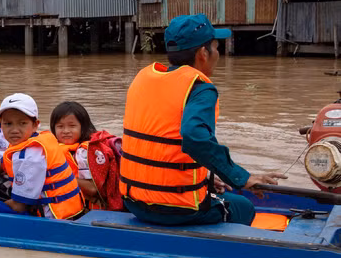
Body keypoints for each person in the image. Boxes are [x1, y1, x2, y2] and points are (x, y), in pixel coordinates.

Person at [120, 14, 286, 226]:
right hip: (175, 210)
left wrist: (206, 179)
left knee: (222, 193)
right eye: (216, 47)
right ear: (203, 54)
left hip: (134, 202)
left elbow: (160, 145)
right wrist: (242, 178)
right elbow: (194, 137)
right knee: (244, 207)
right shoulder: (200, 90)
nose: (218, 53)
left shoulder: (143, 79)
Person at [0, 94, 84, 220]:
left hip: (50, 216)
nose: (14, 130)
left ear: (35, 125)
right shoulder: (26, 141)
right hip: (54, 207)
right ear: (1, 125)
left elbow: (19, 206)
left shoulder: (31, 157)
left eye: (22, 123)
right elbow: (0, 165)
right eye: (8, 124)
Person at [51, 101, 100, 205]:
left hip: (87, 207)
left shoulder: (85, 152)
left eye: (72, 126)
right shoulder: (51, 149)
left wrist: (60, 177)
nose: (66, 131)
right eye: (60, 126)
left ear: (83, 127)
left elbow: (92, 188)